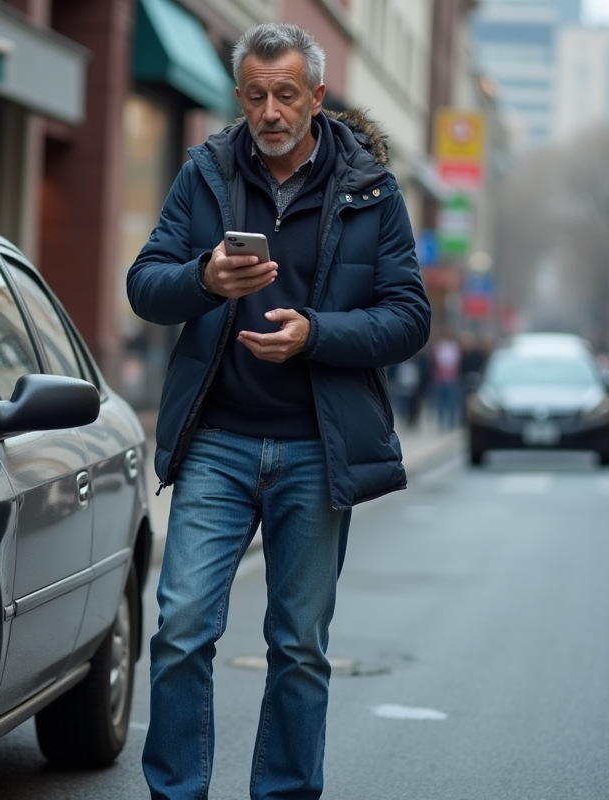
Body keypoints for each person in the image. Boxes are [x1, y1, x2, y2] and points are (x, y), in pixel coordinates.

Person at [126, 23, 431, 800]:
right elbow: (144, 285)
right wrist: (204, 278)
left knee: (298, 646)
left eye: (286, 94)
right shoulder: (205, 173)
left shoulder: (370, 190)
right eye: (256, 95)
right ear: (241, 97)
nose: (270, 111)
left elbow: (407, 318)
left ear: (317, 97)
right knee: (182, 628)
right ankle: (177, 791)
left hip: (315, 450)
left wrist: (316, 335)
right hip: (217, 443)